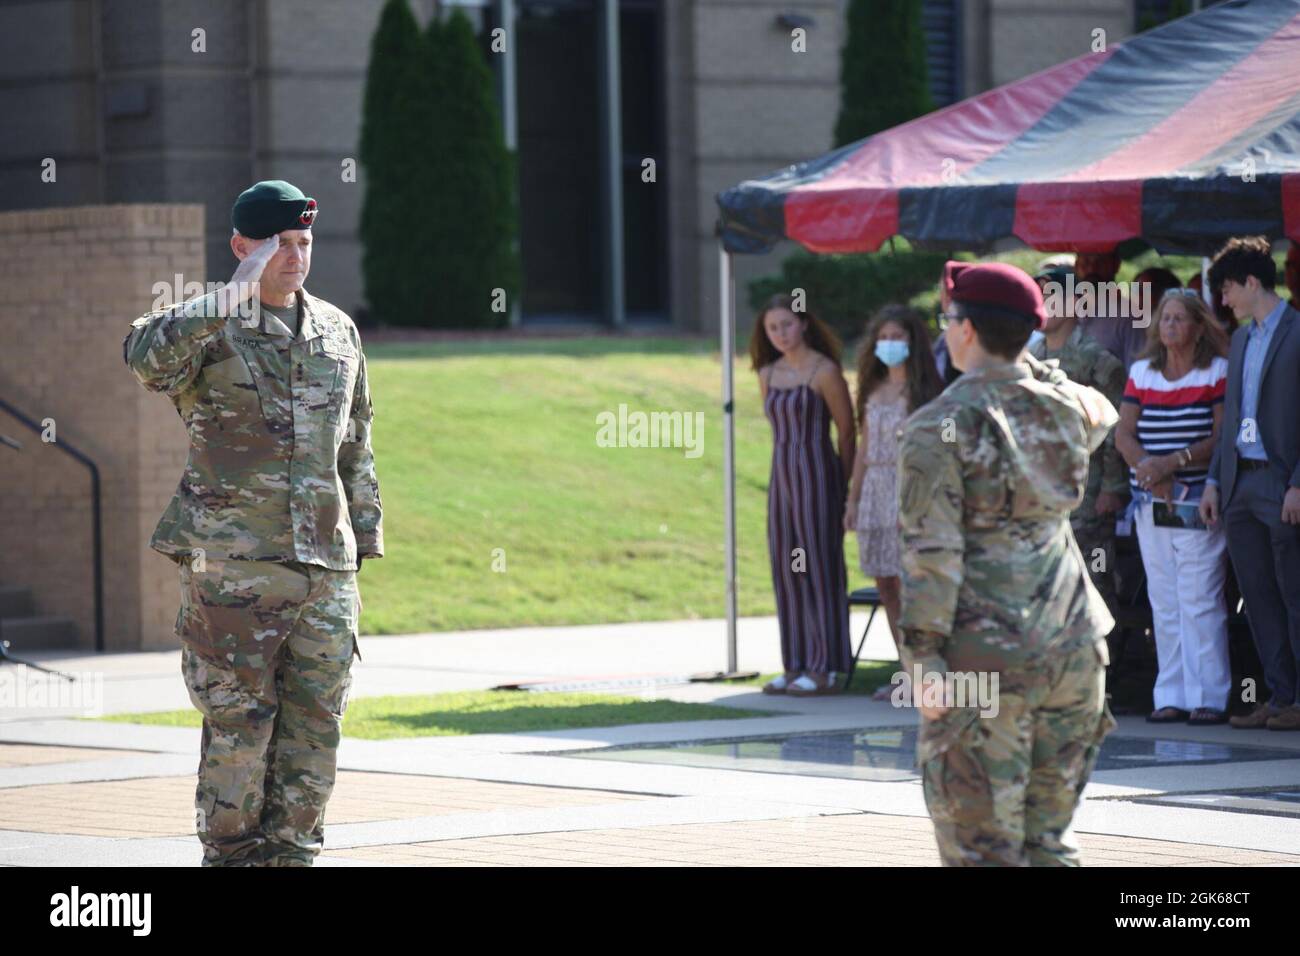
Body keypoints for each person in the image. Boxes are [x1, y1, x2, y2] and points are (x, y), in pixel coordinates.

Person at [123, 180, 383, 865]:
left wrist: (364, 538)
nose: (295, 258)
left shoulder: (336, 330)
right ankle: (232, 856)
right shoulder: (209, 329)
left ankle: (295, 853)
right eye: (277, 245)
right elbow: (143, 357)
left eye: (303, 243)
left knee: (316, 727)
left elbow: (355, 442)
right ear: (242, 247)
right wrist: (228, 296)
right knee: (240, 725)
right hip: (233, 572)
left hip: (325, 569)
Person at [898, 260, 1119, 866]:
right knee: (1046, 845)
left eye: (949, 319)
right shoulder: (1067, 407)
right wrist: (1031, 364)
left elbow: (932, 555)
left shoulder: (934, 429)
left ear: (966, 329)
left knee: (984, 851)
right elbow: (1106, 409)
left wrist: (923, 660)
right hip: (1073, 648)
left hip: (983, 655)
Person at [1115, 290, 1231, 724]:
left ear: (1199, 327)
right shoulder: (1142, 371)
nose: (1170, 326)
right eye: (1165, 318)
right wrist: (1150, 469)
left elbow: (1220, 437)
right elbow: (1123, 434)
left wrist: (1174, 462)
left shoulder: (1217, 371)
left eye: (1180, 319)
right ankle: (1171, 695)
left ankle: (1210, 697)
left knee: (1199, 597)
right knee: (1164, 599)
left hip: (1198, 501)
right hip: (1151, 500)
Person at [1199, 236, 1300, 731]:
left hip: (1283, 484)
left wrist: (1299, 483)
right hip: (1241, 484)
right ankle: (1281, 698)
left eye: (1227, 289)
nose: (1223, 300)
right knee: (1258, 596)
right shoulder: (1240, 340)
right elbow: (1233, 415)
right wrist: (1216, 482)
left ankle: (1297, 700)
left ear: (1252, 282)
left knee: (1294, 593)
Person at [751, 295, 856, 696]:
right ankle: (794, 663)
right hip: (782, 478)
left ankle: (825, 665)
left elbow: (847, 432)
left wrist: (845, 488)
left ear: (804, 324)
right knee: (787, 567)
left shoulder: (825, 371)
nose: (780, 334)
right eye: (772, 328)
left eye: (787, 324)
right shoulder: (768, 373)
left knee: (820, 569)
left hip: (818, 474)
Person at [844, 305, 943, 700]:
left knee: (912, 584)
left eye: (898, 337)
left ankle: (927, 674)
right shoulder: (872, 387)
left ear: (913, 341)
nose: (890, 345)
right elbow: (864, 448)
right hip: (875, 488)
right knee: (886, 584)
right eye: (883, 337)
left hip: (910, 489)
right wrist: (852, 500)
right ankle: (905, 672)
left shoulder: (926, 391)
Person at [1031, 271, 1129, 612]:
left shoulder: (1096, 359)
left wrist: (1113, 487)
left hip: (1091, 493)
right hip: (1044, 493)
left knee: (1097, 578)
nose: (1042, 305)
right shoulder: (1031, 357)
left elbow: (1118, 424)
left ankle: (1110, 660)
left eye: (1051, 297)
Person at [1074, 251, 1148, 374]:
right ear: (1076, 266)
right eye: (1086, 262)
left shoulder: (1130, 317)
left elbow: (1137, 374)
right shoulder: (1066, 313)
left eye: (1100, 262)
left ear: (1116, 265)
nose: (1092, 268)